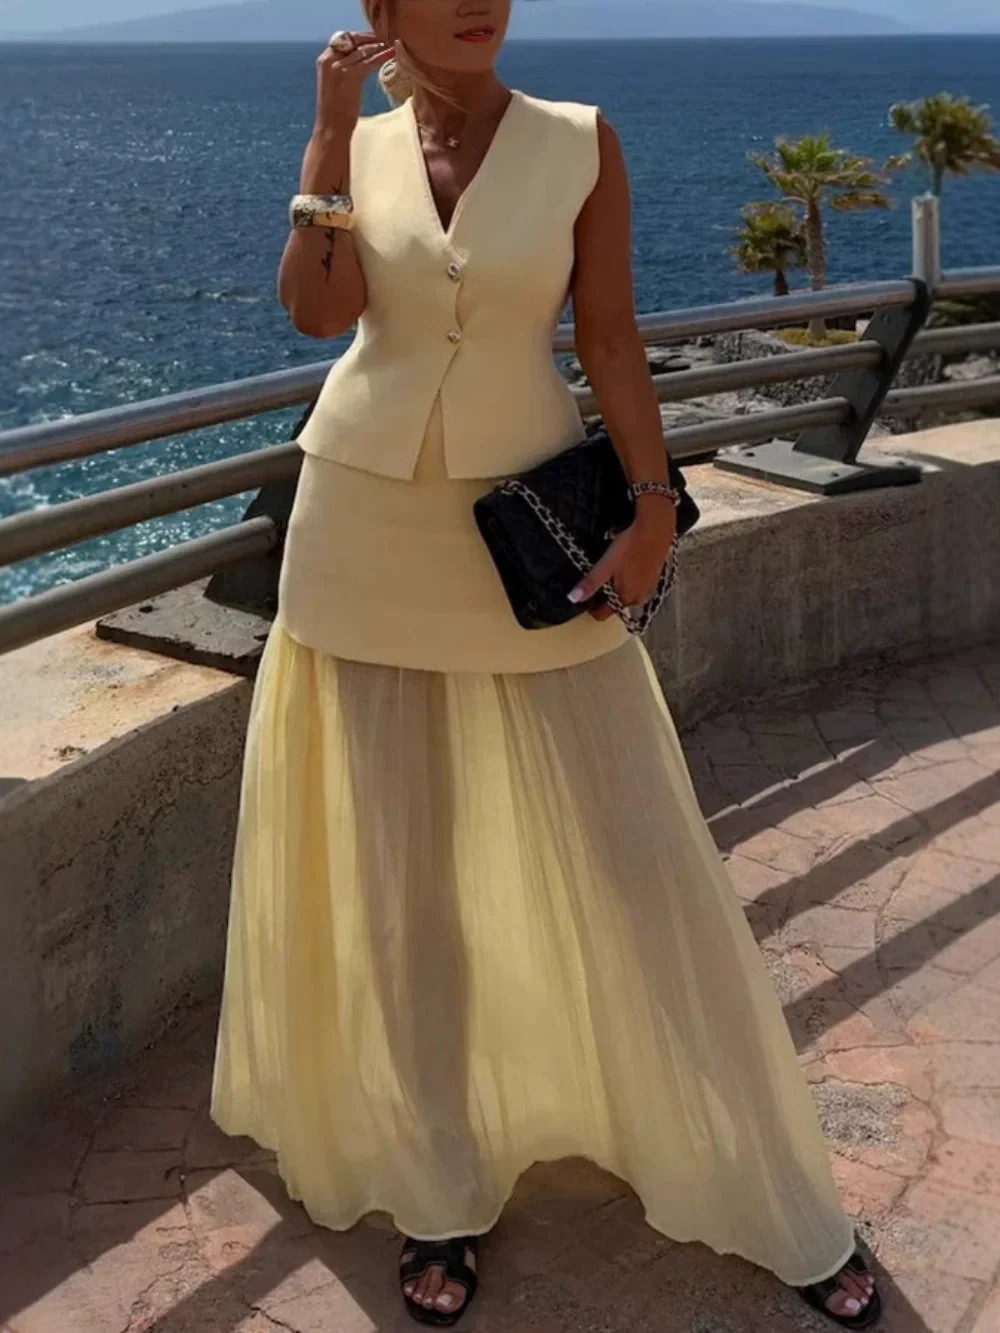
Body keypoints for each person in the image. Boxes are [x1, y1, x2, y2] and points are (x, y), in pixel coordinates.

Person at [211, 1, 881, 1327]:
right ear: (384, 11)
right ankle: (439, 1189)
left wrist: (656, 508)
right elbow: (317, 314)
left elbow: (609, 337)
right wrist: (328, 136)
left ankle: (763, 1185)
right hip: (360, 535)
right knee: (400, 887)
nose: (480, 3)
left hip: (528, 534)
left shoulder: (581, 141)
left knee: (635, 860)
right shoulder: (360, 145)